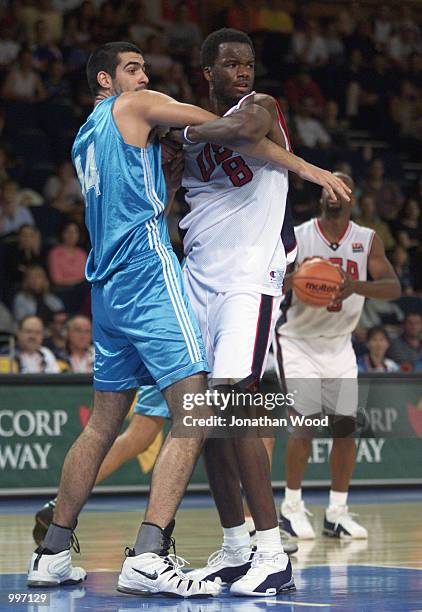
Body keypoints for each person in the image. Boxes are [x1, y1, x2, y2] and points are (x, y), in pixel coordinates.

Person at [27, 40, 348, 599]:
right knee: (200, 413)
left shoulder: (253, 107)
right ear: (106, 80)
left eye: (248, 62)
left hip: (191, 283)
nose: (144, 77)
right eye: (133, 70)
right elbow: (174, 178)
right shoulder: (141, 110)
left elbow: (242, 134)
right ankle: (172, 553)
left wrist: (304, 167)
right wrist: (187, 140)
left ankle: (62, 550)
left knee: (198, 414)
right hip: (163, 276)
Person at [274, 172, 400, 539]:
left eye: (342, 189)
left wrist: (353, 287)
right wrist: (291, 278)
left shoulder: (366, 240)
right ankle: (291, 508)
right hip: (297, 340)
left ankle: (336, 512)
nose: (334, 195)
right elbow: (273, 279)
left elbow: (392, 287)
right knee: (306, 422)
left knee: (345, 429)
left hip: (339, 343)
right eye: (328, 188)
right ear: (320, 197)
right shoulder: (300, 236)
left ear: (352, 199)